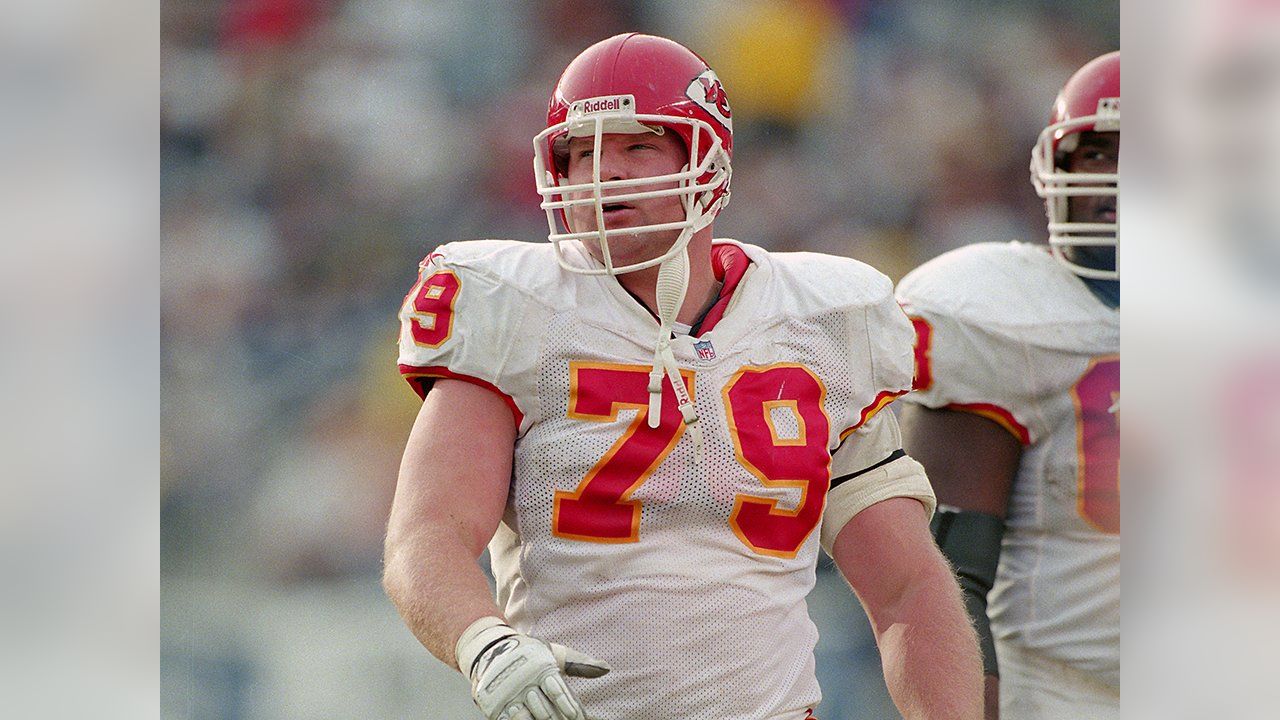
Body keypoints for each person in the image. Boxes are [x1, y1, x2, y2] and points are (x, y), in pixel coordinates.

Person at [383, 33, 981, 720]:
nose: (601, 173)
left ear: (708, 162)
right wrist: (484, 643)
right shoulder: (512, 309)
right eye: (579, 153)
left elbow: (907, 588)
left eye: (635, 146)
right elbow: (427, 534)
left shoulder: (822, 321)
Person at [896, 51, 1120, 719]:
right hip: (1065, 698)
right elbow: (947, 581)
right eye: (1097, 154)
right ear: (1056, 169)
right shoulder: (1005, 320)